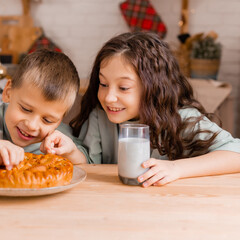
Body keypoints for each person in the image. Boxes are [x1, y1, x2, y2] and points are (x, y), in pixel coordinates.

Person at [71, 32, 240, 187]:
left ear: (154, 88)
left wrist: (177, 168)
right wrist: (72, 152)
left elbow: (236, 154)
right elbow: (90, 165)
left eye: (123, 87)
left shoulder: (182, 119)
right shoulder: (100, 117)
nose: (108, 97)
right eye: (103, 84)